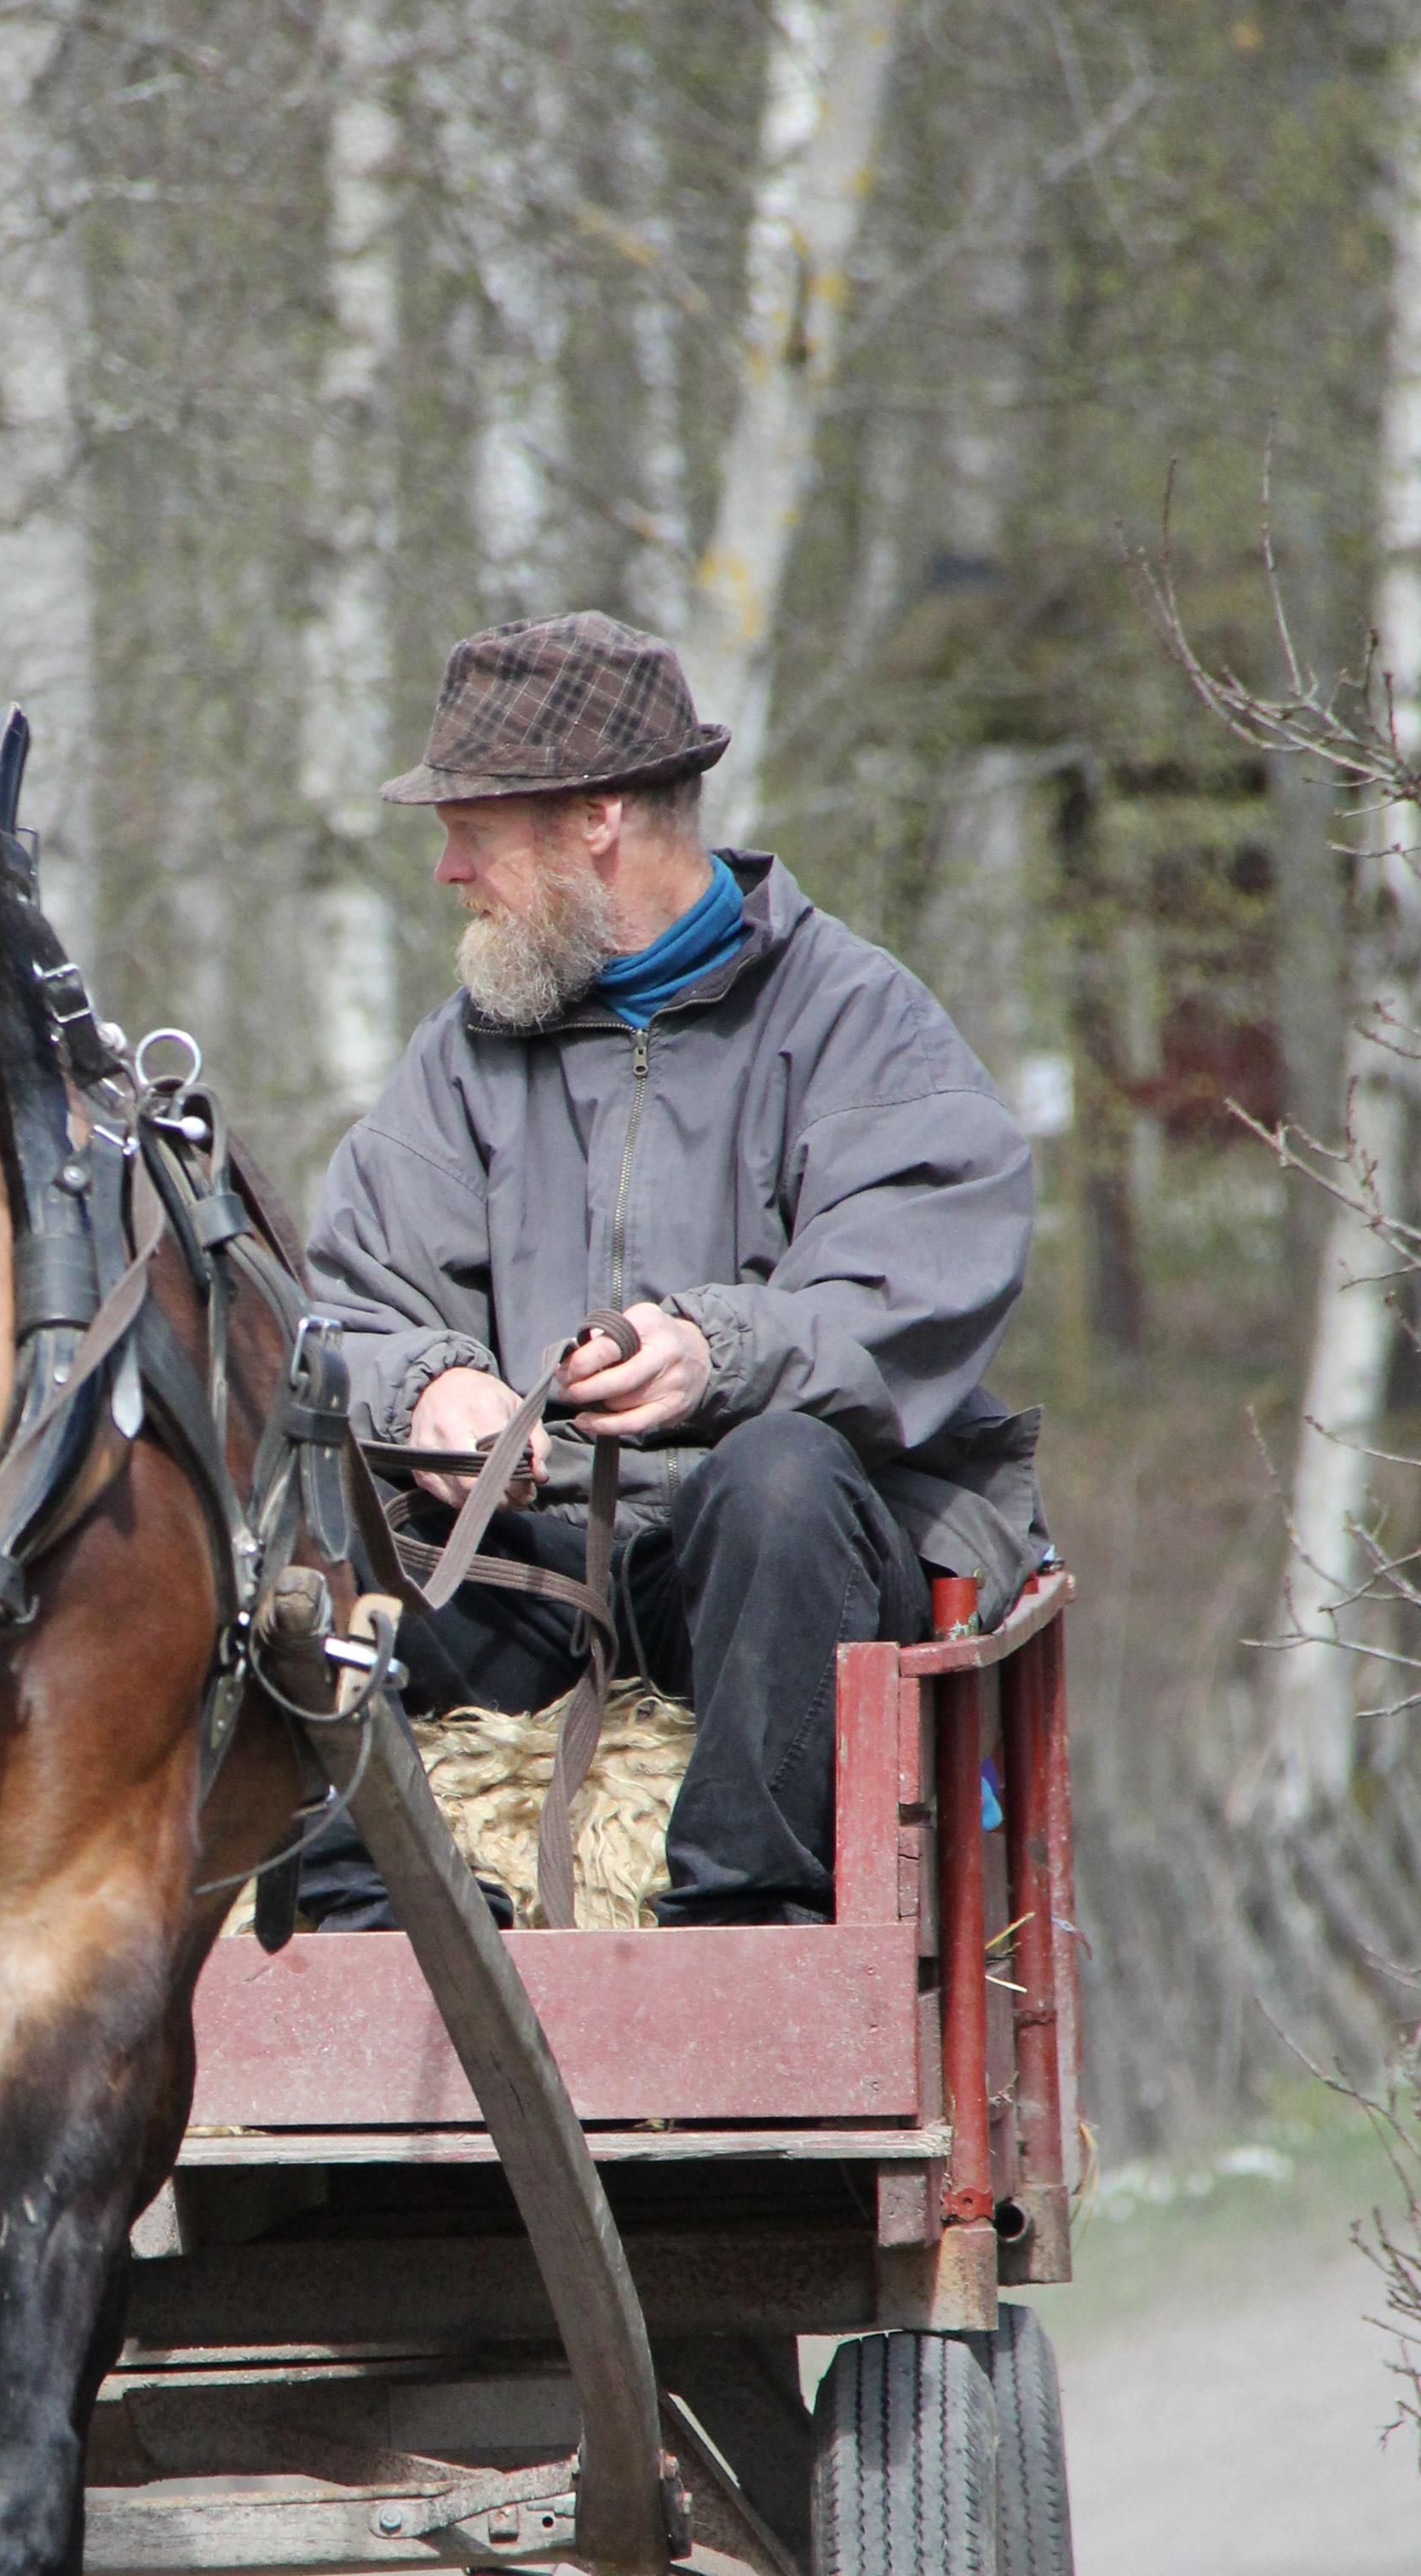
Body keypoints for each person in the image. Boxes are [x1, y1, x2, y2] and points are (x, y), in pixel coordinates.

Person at [302, 609, 1044, 1928]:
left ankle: (742, 1931)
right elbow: (344, 1305)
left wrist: (718, 1353)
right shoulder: (464, 1055)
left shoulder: (857, 1021)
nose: (447, 870)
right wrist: (426, 1390)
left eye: (470, 827)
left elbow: (913, 1285)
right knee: (286, 1531)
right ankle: (379, 1927)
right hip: (534, 1575)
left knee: (780, 1474)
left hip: (774, 1578)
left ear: (594, 818)